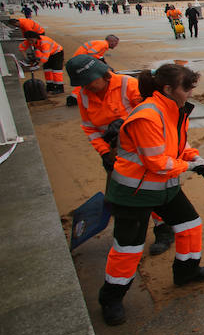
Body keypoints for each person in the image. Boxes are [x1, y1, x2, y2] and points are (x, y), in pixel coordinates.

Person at [99, 64, 204, 325]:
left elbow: (177, 143)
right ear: (167, 88)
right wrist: (189, 166)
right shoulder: (147, 116)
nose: (189, 93)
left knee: (190, 225)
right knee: (128, 247)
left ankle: (186, 272)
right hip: (134, 192)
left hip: (164, 188)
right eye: (185, 88)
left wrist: (194, 156)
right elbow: (156, 162)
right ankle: (111, 297)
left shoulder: (172, 110)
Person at [64, 55, 177, 255]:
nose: (88, 87)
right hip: (112, 154)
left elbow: (151, 111)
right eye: (83, 84)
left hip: (140, 151)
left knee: (151, 191)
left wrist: (125, 122)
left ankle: (163, 229)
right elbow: (90, 128)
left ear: (103, 74)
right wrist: (105, 152)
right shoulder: (83, 95)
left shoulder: (127, 85)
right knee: (125, 197)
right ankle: (131, 235)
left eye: (90, 81)